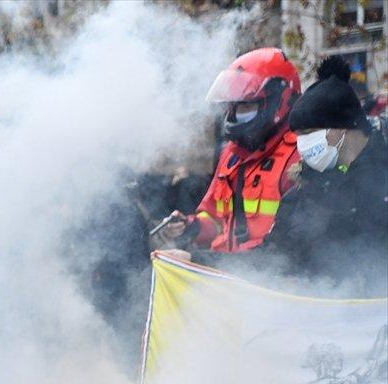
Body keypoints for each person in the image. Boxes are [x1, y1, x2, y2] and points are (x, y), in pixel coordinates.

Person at [157, 48, 303, 254]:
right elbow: (215, 219)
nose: (233, 116)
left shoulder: (297, 154)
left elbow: (292, 242)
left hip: (267, 274)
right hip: (229, 271)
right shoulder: (232, 155)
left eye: (244, 107)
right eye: (231, 107)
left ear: (278, 101)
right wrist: (192, 226)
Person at [267, 56, 388, 288]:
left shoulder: (380, 185)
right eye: (300, 135)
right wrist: (197, 259)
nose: (303, 144)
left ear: (346, 129)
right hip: (320, 316)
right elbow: (271, 261)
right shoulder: (301, 195)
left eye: (311, 132)